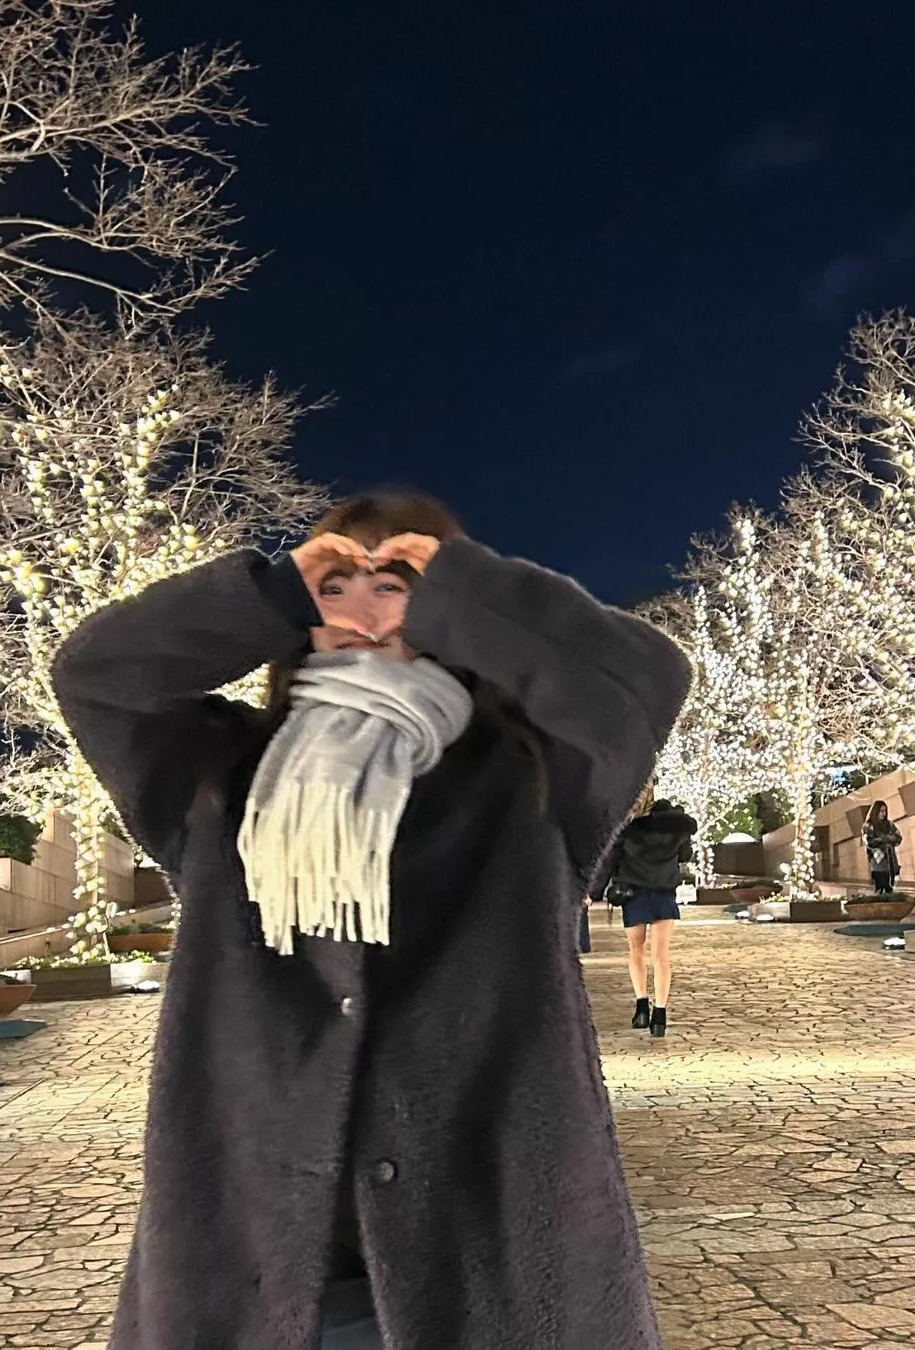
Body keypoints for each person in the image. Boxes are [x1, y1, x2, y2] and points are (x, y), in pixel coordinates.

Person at [51, 491, 691, 1350]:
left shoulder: (533, 779)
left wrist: (463, 587)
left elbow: (644, 682)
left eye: (395, 586)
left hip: (489, 1258)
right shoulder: (218, 779)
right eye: (337, 586)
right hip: (257, 1267)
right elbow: (96, 675)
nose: (364, 608)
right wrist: (272, 593)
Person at [601, 798, 697, 1038]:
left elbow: (611, 861)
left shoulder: (630, 828)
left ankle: (641, 1006)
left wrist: (593, 892)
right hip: (663, 893)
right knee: (661, 955)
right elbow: (685, 856)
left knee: (636, 951)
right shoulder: (678, 830)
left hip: (634, 894)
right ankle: (660, 1016)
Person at [863, 800, 903, 894]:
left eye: (885, 811)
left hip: (891, 861)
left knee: (890, 889)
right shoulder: (869, 826)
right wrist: (883, 840)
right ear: (876, 811)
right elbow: (869, 842)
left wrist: (886, 839)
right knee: (880, 889)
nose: (883, 814)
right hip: (878, 862)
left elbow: (898, 838)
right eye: (881, 811)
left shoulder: (890, 824)